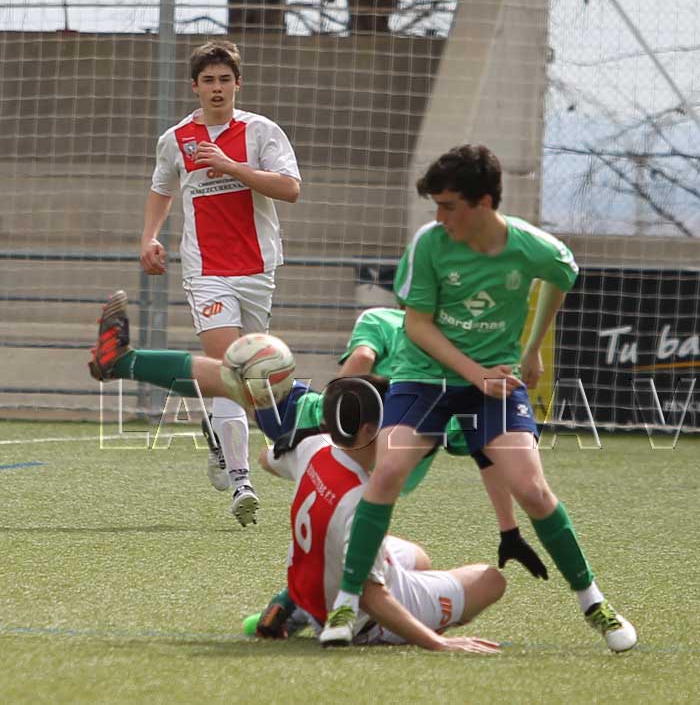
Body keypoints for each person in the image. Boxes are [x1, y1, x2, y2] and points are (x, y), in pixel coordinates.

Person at [320, 144, 638, 653]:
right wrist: (474, 373)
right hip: (426, 378)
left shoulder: (533, 248)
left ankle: (593, 602)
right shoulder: (430, 244)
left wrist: (532, 350)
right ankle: (346, 602)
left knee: (532, 490)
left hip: (495, 385)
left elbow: (562, 277)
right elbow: (417, 326)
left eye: (449, 206)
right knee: (388, 471)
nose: (439, 218)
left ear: (484, 203)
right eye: (436, 206)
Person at [89, 292, 547, 582]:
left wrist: (338, 420)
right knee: (243, 385)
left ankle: (126, 363)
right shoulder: (449, 353)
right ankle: (126, 364)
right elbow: (484, 453)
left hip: (327, 429)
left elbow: (358, 366)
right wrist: (507, 527)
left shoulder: (386, 322)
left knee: (244, 384)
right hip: (354, 441)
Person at [139, 39, 301, 526]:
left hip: (258, 268)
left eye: (224, 79)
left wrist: (232, 167)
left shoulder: (261, 131)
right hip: (206, 271)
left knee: (252, 377)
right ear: (195, 86)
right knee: (231, 370)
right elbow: (162, 189)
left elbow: (290, 189)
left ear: (237, 84)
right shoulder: (176, 138)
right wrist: (149, 237)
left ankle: (217, 435)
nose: (216, 87)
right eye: (207, 80)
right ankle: (241, 481)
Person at [257, 375, 505, 651]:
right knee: (491, 580)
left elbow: (265, 459)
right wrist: (438, 643)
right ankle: (349, 619)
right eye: (393, 421)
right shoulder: (363, 498)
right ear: (369, 430)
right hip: (362, 621)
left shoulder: (314, 445)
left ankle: (296, 606)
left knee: (419, 558)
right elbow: (370, 596)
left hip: (314, 588)